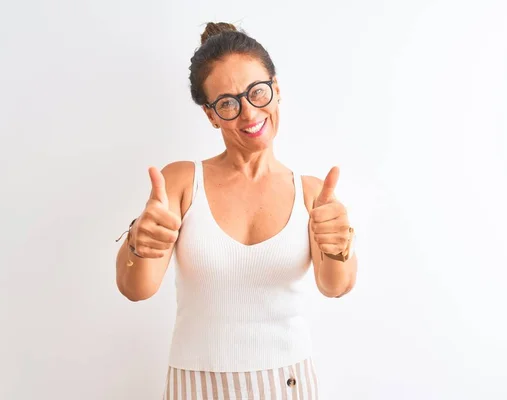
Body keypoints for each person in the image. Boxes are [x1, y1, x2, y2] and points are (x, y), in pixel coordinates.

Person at [115, 22, 358, 400]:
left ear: (276, 91)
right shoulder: (181, 181)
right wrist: (138, 242)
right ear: (211, 115)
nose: (248, 114)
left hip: (289, 384)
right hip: (195, 386)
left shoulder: (312, 193)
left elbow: (336, 285)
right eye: (228, 102)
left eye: (257, 93)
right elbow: (136, 289)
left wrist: (340, 241)